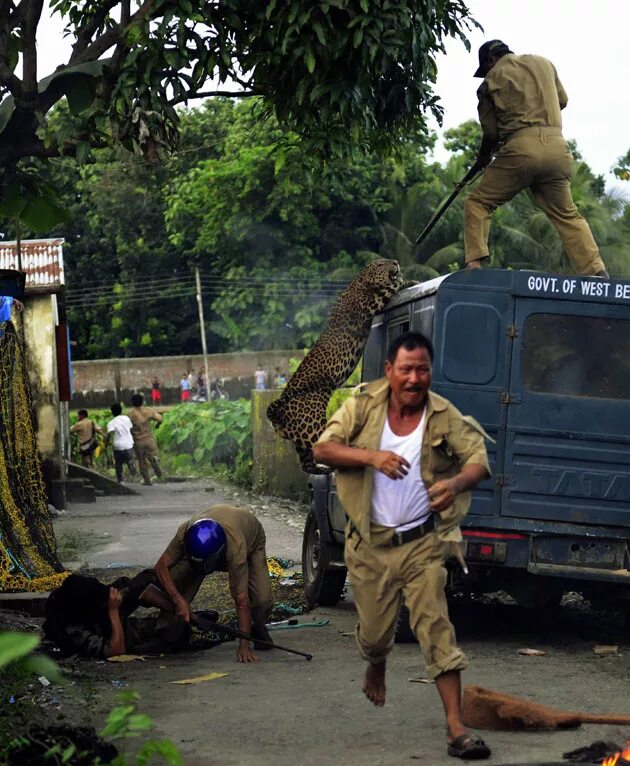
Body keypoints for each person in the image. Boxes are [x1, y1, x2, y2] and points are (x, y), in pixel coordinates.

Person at [313, 332, 492, 760]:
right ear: (390, 370)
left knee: (435, 628)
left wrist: (455, 482)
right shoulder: (362, 406)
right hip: (369, 546)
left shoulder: (442, 414)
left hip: (421, 543)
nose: (415, 378)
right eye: (407, 369)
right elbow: (322, 448)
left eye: (423, 369)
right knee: (375, 637)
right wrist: (372, 458)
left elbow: (478, 459)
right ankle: (377, 663)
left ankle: (455, 728)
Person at [464, 39, 609, 278]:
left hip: (520, 150)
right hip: (557, 149)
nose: (486, 73)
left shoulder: (490, 82)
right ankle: (595, 269)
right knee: (567, 215)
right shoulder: (544, 63)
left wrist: (483, 159)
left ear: (490, 60)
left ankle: (474, 266)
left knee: (478, 203)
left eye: (485, 68)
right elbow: (562, 101)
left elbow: (490, 133)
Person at [154, 504, 273, 664]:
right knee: (173, 582)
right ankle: (165, 628)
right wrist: (178, 599)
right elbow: (161, 566)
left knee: (261, 600)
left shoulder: (235, 550)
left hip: (251, 539)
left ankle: (256, 626)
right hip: (202, 552)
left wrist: (244, 645)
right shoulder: (185, 533)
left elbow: (241, 601)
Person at [43, 573, 192, 659]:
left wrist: (180, 610)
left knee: (146, 578)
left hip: (100, 617)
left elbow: (140, 589)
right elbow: (116, 651)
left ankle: (189, 618)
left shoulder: (71, 595)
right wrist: (113, 612)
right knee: (175, 633)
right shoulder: (72, 630)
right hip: (111, 635)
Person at [128, 393, 162, 485]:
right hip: (149, 439)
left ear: (132, 402)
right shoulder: (148, 411)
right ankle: (155, 462)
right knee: (152, 455)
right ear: (142, 401)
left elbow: (127, 428)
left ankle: (147, 480)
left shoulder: (130, 414)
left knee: (142, 460)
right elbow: (160, 418)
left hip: (138, 441)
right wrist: (158, 425)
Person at [105, 402, 137, 484]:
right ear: (121, 410)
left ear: (112, 412)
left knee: (118, 464)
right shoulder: (126, 418)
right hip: (128, 444)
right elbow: (131, 429)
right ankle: (130, 463)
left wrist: (107, 443)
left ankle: (121, 480)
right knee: (130, 458)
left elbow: (110, 435)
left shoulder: (111, 423)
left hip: (118, 446)